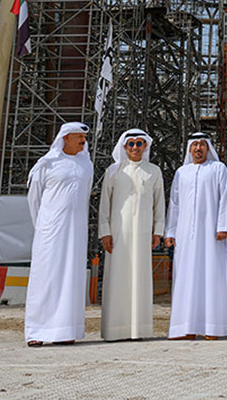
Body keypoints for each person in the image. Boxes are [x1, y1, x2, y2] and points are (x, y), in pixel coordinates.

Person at [25, 121, 93, 346]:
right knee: (46, 277)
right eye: (79, 137)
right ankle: (36, 332)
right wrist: (43, 226)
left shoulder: (86, 164)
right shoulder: (47, 164)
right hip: (50, 231)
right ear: (65, 138)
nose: (84, 141)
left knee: (71, 278)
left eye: (84, 137)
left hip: (75, 231)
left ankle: (65, 331)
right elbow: (34, 198)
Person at [98, 128, 165, 341]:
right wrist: (104, 232)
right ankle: (114, 330)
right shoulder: (113, 171)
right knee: (118, 278)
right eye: (131, 144)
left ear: (145, 146)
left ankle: (139, 330)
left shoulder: (153, 171)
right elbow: (104, 205)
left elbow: (159, 203)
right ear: (124, 147)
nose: (135, 147)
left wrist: (158, 231)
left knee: (140, 278)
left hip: (143, 232)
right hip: (118, 233)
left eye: (139, 144)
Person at [165, 131, 227, 340]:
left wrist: (222, 226)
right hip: (186, 234)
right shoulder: (181, 172)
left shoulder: (218, 169)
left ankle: (212, 328)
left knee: (211, 276)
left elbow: (225, 197)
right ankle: (186, 327)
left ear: (208, 148)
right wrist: (171, 231)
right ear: (189, 149)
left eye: (202, 145)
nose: (198, 149)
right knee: (185, 277)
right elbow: (174, 204)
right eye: (194, 145)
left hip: (212, 235)